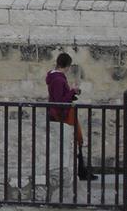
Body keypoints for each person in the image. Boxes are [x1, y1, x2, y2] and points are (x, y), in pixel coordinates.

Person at [46, 52, 96, 180]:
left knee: (76, 139)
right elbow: (59, 101)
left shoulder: (55, 77)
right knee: (75, 139)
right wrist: (72, 91)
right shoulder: (58, 79)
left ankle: (82, 170)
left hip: (63, 113)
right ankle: (81, 171)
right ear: (67, 66)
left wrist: (71, 93)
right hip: (62, 115)